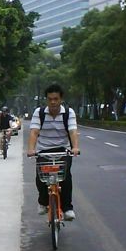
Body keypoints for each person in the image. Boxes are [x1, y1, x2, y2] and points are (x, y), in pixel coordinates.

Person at [26, 83, 80, 220]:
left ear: (61, 99)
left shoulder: (69, 113)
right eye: (50, 99)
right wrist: (31, 149)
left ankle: (67, 208)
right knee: (41, 178)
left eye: (56, 99)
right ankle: (43, 202)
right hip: (43, 150)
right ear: (46, 99)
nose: (53, 102)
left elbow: (73, 131)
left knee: (66, 177)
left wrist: (75, 147)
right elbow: (34, 132)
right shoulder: (39, 113)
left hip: (63, 150)